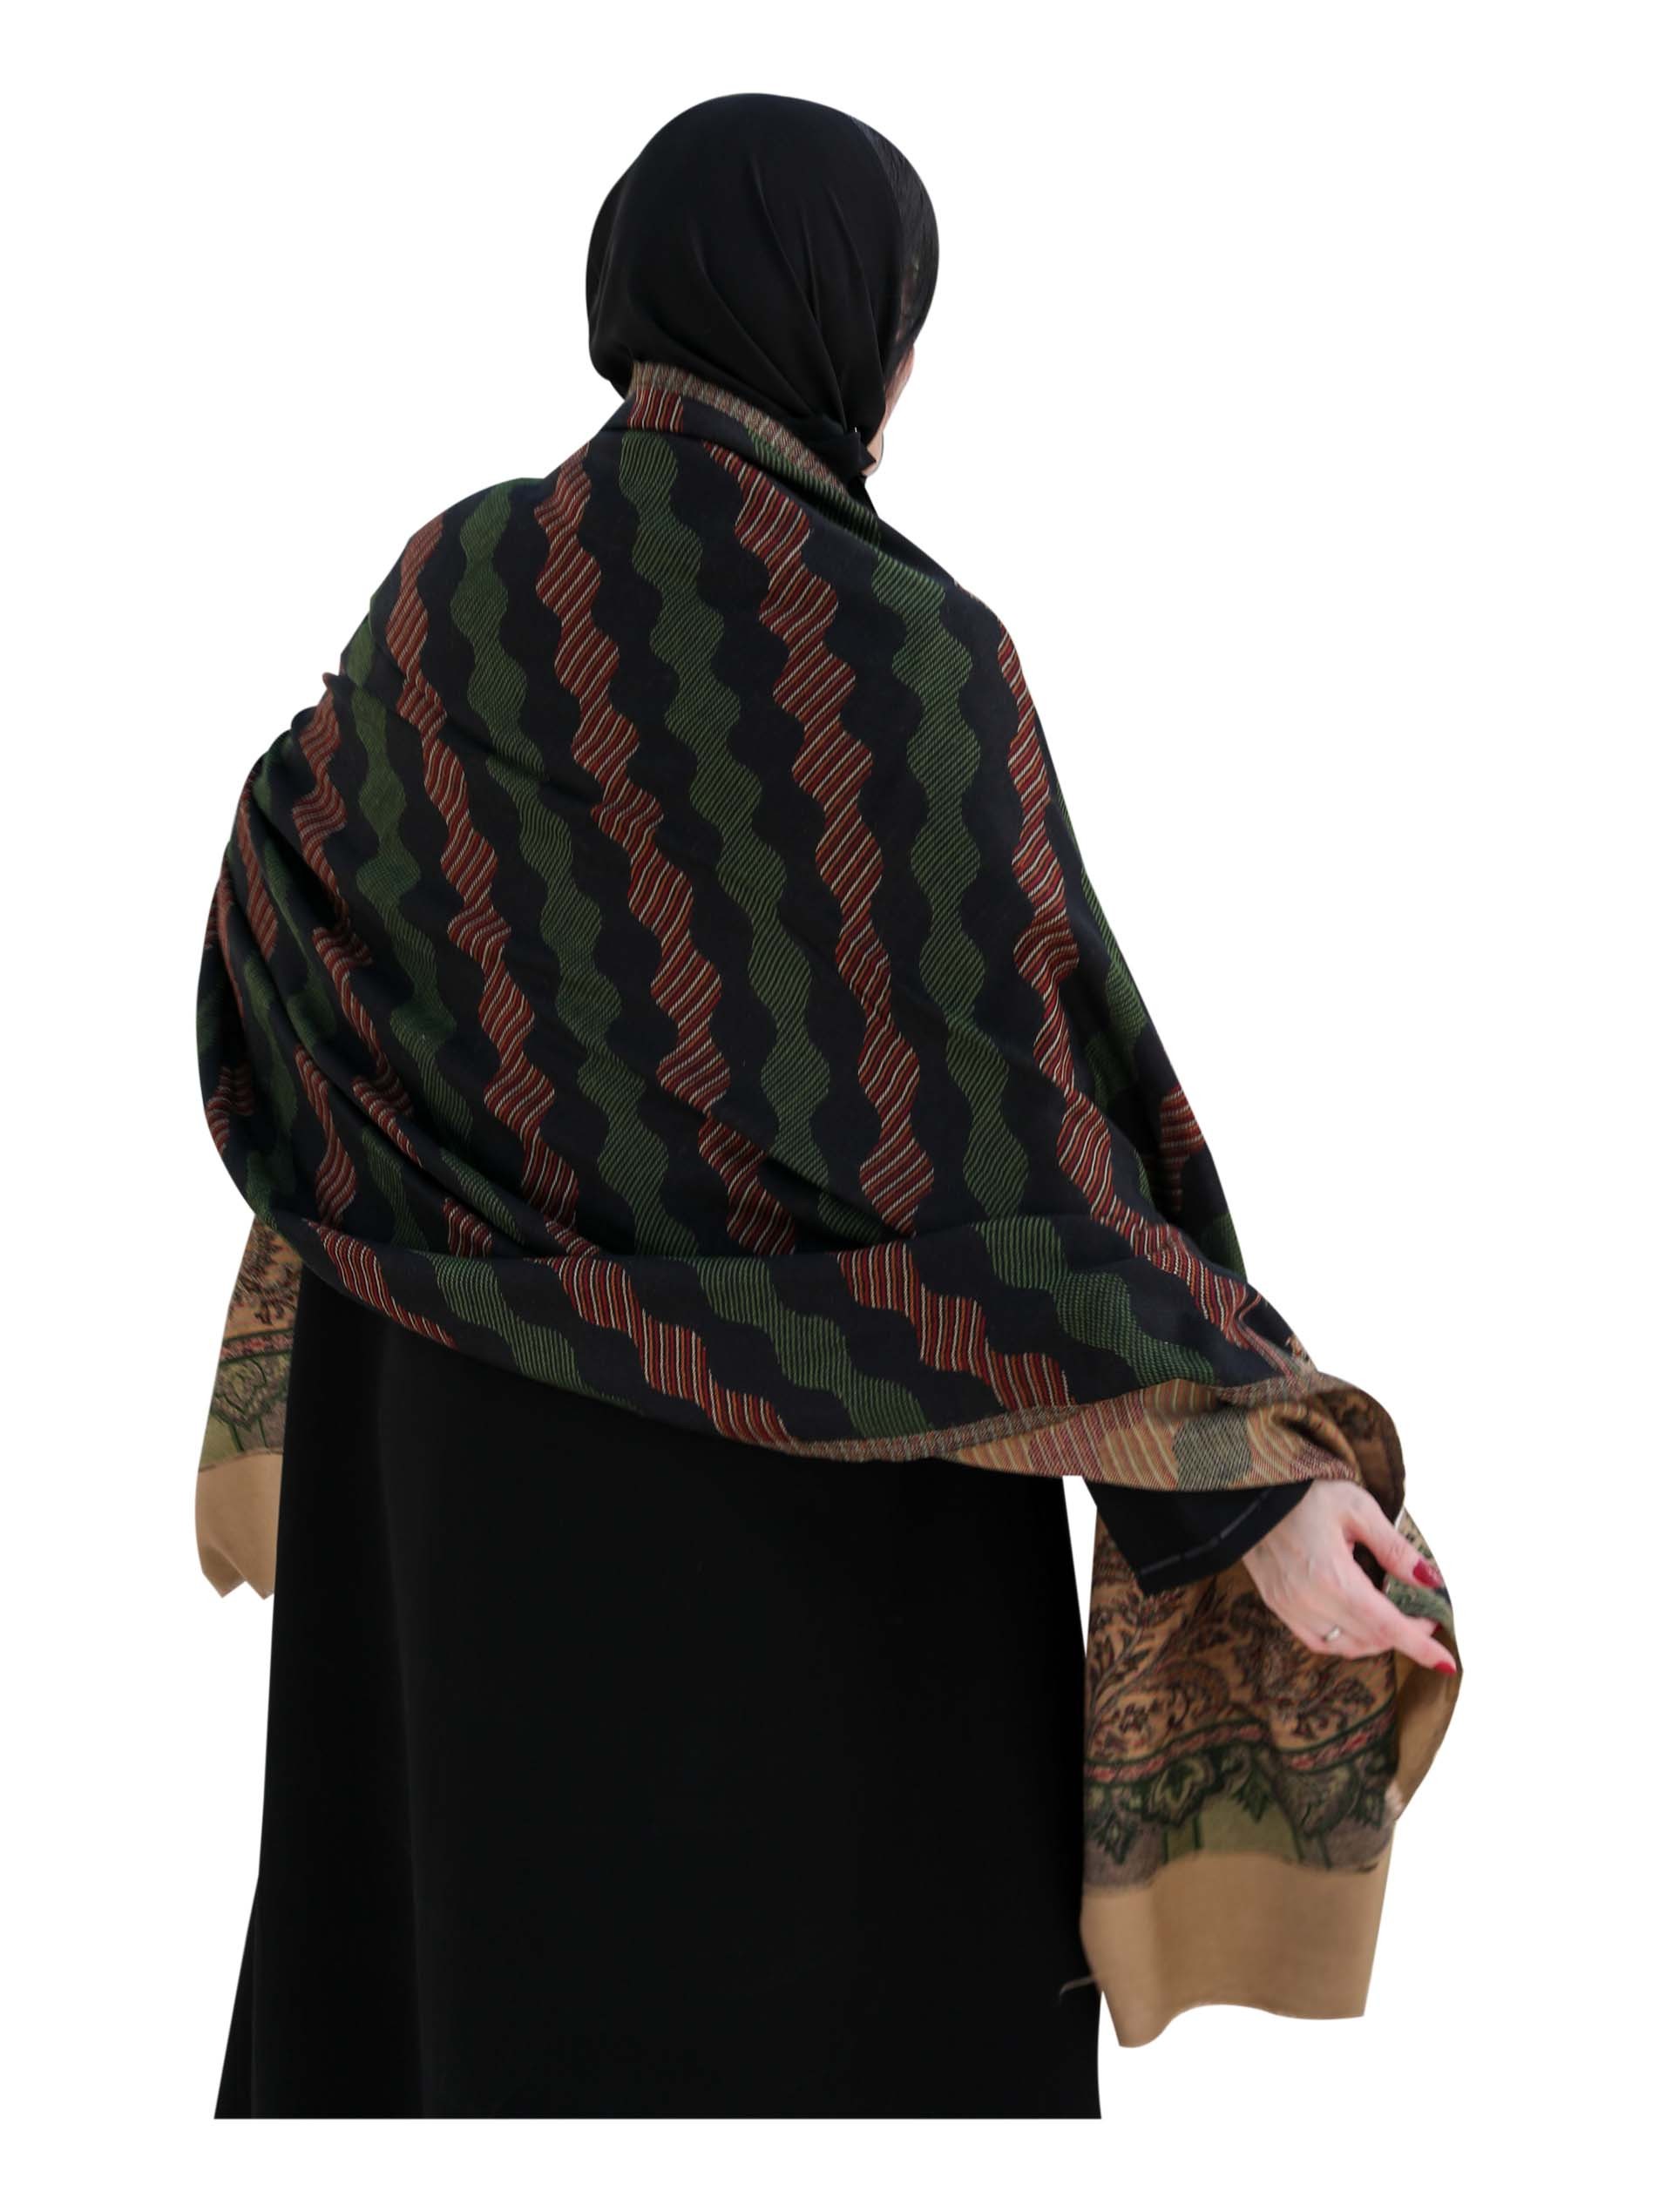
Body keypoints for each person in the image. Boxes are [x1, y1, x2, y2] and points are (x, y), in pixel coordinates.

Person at [199, 91, 1457, 2121]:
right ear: (852, 326)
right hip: (825, 1529)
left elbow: (302, 939)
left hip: (463, 1483)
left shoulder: (454, 592)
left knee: (489, 2002)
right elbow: (1031, 1150)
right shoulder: (899, 653)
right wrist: (1234, 1464)